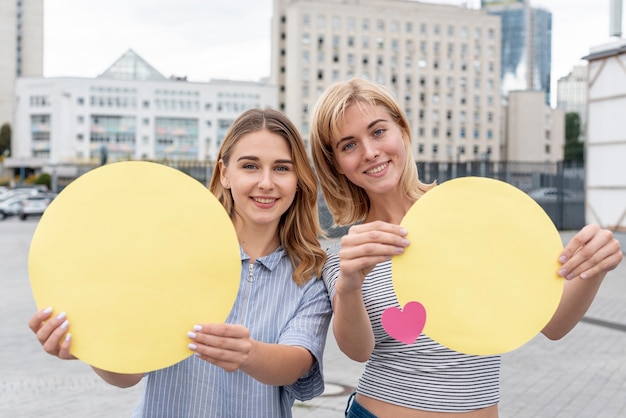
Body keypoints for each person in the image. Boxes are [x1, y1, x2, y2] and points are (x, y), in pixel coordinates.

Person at [309, 77, 623, 418]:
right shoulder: (346, 254)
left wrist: (595, 267)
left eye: (378, 131)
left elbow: (551, 325)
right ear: (335, 163)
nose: (370, 151)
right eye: (348, 145)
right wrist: (350, 283)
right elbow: (358, 351)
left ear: (402, 130)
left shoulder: (475, 214)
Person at [29, 108, 332, 418]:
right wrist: (92, 346)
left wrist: (249, 354)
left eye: (281, 168)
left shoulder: (310, 273)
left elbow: (296, 365)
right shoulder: (170, 251)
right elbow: (129, 376)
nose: (266, 182)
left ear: (298, 180)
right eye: (250, 166)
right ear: (225, 174)